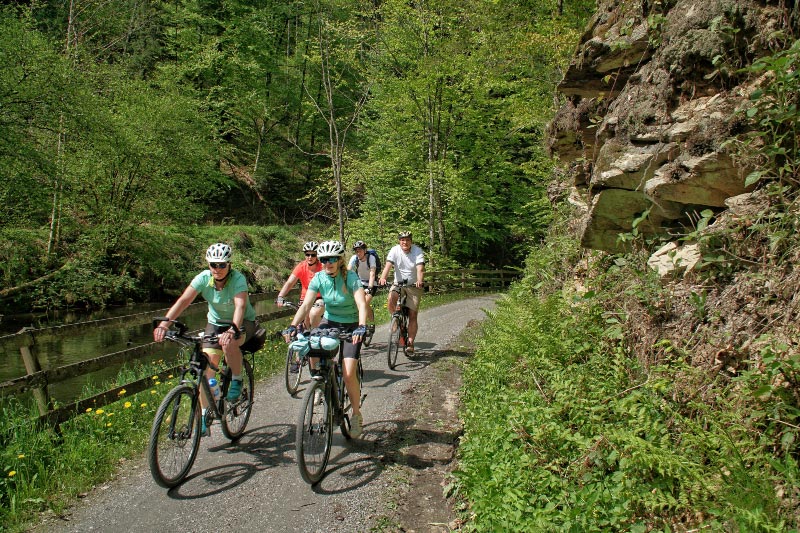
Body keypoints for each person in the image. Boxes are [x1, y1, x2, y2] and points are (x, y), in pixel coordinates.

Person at [153, 243, 258, 434]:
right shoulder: (203, 278)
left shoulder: (238, 279)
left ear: (229, 265)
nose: (217, 269)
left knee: (230, 344)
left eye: (221, 265)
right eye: (213, 265)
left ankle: (236, 379)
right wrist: (164, 325)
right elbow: (184, 301)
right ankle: (204, 414)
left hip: (242, 322)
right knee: (205, 371)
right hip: (216, 323)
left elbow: (240, 306)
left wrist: (233, 329)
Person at [283, 240, 368, 438]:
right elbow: (306, 306)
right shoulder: (319, 277)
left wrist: (361, 327)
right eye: (323, 260)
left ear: (339, 260)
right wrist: (293, 325)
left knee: (348, 373)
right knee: (312, 346)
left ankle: (356, 414)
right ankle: (320, 380)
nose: (327, 263)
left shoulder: (351, 277)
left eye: (331, 259)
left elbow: (361, 304)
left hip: (351, 324)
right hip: (329, 321)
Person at [379, 231, 425, 355]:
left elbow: (420, 268)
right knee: (391, 297)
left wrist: (420, 281)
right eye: (402, 240)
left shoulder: (417, 251)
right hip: (398, 283)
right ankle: (395, 319)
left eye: (407, 240)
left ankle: (410, 343)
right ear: (399, 241)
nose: (405, 242)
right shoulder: (394, 250)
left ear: (411, 241)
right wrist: (383, 278)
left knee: (412, 314)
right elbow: (388, 266)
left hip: (413, 285)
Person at [276, 241, 325, 330]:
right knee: (305, 320)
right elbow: (290, 282)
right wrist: (280, 296)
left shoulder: (322, 267)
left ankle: (315, 335)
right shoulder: (301, 266)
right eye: (307, 254)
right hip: (305, 298)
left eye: (313, 255)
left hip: (319, 297)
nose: (310, 257)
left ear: (317, 255)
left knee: (314, 314)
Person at [348, 240, 378, 329]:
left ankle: (367, 324)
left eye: (360, 250)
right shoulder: (354, 258)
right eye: (356, 251)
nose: (358, 253)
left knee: (364, 302)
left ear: (365, 250)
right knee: (358, 303)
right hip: (360, 283)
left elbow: (372, 273)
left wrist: (369, 287)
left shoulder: (371, 258)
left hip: (371, 283)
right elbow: (348, 271)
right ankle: (357, 323)